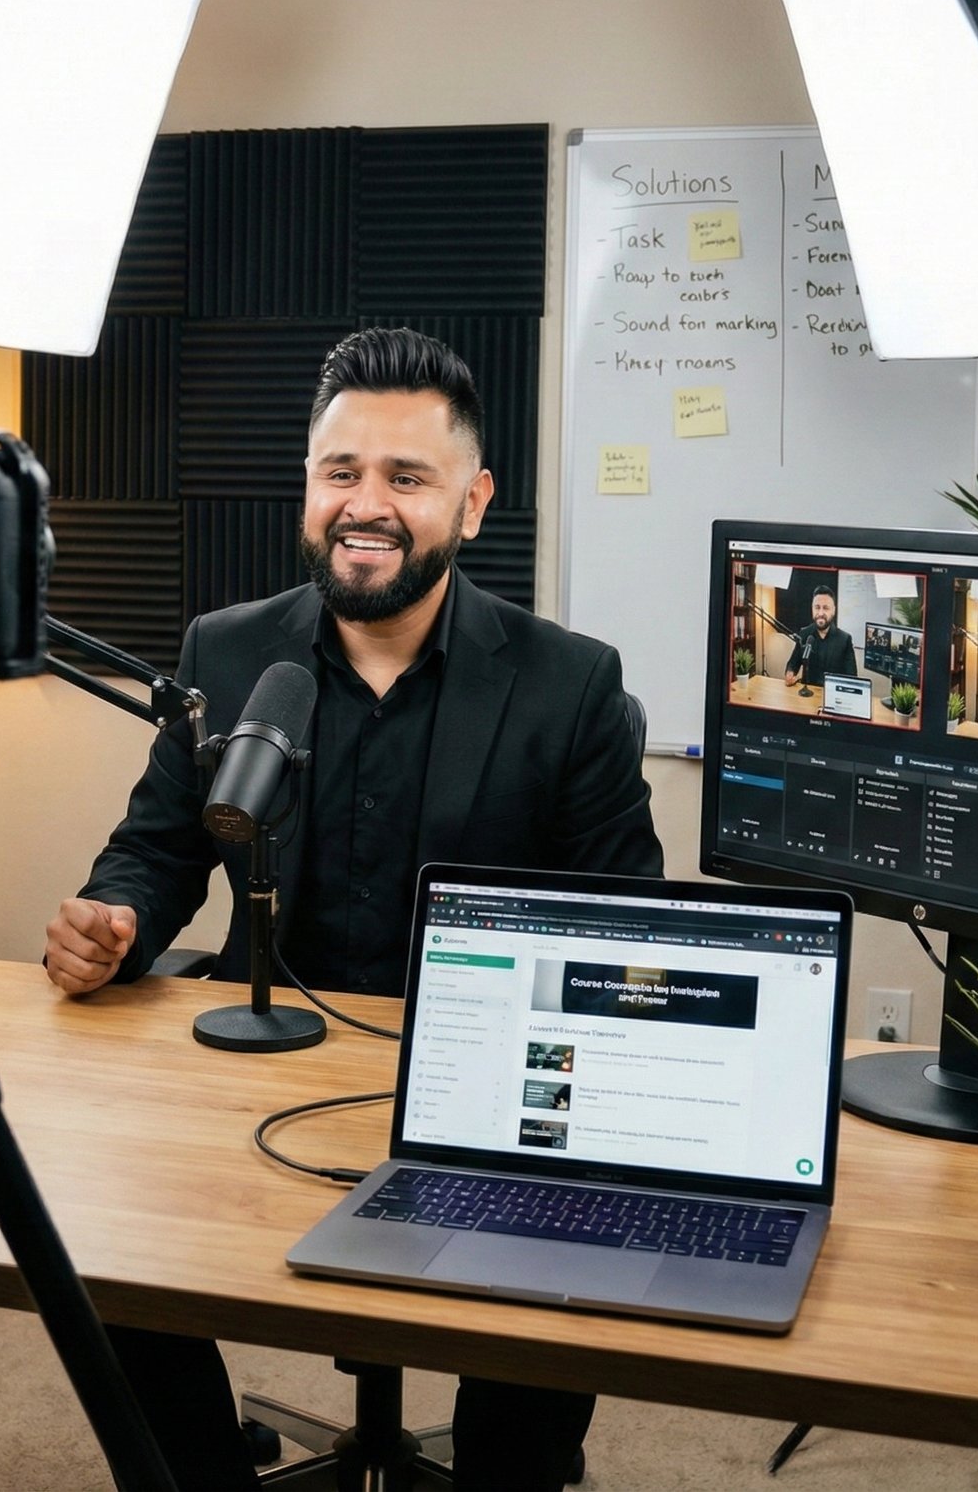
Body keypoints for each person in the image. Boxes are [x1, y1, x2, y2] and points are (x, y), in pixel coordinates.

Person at [44, 325, 663, 1491]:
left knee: (567, 1234)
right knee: (93, 1236)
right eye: (341, 472)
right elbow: (155, 853)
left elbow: (622, 920)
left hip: (481, 1084)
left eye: (405, 477)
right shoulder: (222, 652)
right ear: (309, 486)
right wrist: (114, 921)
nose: (364, 505)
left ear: (472, 503)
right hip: (253, 1057)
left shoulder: (569, 682)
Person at [782, 586, 855, 688]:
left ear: (833, 610)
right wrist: (790, 673)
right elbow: (793, 663)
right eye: (817, 607)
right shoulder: (804, 633)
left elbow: (852, 679)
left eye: (825, 608)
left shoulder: (844, 639)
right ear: (812, 608)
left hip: (832, 697)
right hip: (807, 695)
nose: (820, 613)